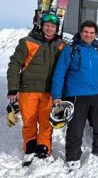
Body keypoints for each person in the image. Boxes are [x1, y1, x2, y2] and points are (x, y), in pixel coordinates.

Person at [51, 20, 98, 171]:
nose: (88, 35)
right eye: (86, 32)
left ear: (95, 34)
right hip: (76, 94)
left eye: (92, 33)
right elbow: (59, 73)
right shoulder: (71, 49)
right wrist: (57, 95)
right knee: (76, 129)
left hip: (96, 94)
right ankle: (72, 158)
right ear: (80, 32)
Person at [7, 13, 65, 166]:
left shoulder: (61, 45)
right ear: (41, 25)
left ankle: (44, 148)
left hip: (49, 91)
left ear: (56, 29)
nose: (49, 28)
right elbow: (14, 65)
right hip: (28, 90)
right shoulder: (27, 42)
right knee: (29, 121)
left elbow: (72, 59)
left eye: (53, 26)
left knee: (46, 123)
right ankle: (30, 149)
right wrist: (13, 89)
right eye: (47, 25)